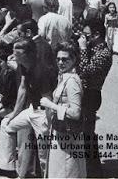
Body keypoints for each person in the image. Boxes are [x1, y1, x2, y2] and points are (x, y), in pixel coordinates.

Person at [0, 37, 57, 178]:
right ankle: (8, 167)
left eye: (17, 53)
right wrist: (14, 113)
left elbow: (48, 98)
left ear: (27, 54)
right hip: (31, 109)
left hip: (43, 113)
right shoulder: (24, 66)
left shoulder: (41, 70)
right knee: (7, 125)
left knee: (44, 154)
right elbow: (23, 89)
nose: (13, 56)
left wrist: (49, 123)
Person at [40, 42, 86, 178]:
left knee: (67, 170)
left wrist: (51, 105)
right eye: (58, 59)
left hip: (68, 134)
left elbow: (76, 113)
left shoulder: (72, 82)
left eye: (65, 59)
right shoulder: (64, 76)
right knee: (60, 169)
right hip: (61, 132)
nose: (60, 62)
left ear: (74, 60)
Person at [78, 20, 112, 178]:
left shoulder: (103, 53)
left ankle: (93, 170)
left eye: (87, 35)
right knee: (85, 132)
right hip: (85, 93)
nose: (85, 38)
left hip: (91, 95)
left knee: (87, 133)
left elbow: (85, 71)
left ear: (97, 34)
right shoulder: (94, 47)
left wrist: (83, 49)